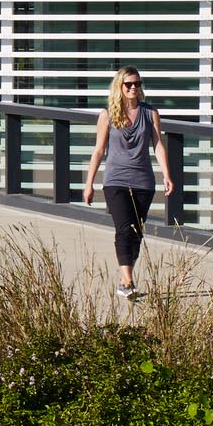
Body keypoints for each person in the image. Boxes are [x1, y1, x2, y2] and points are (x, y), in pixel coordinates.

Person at [80, 66, 178, 299]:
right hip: (116, 180)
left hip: (143, 181)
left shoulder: (150, 113)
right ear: (120, 87)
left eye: (137, 84)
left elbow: (157, 145)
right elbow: (99, 150)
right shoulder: (107, 115)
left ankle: (125, 281)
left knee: (136, 232)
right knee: (124, 229)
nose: (134, 87)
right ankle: (129, 281)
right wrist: (89, 183)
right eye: (129, 84)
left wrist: (166, 174)